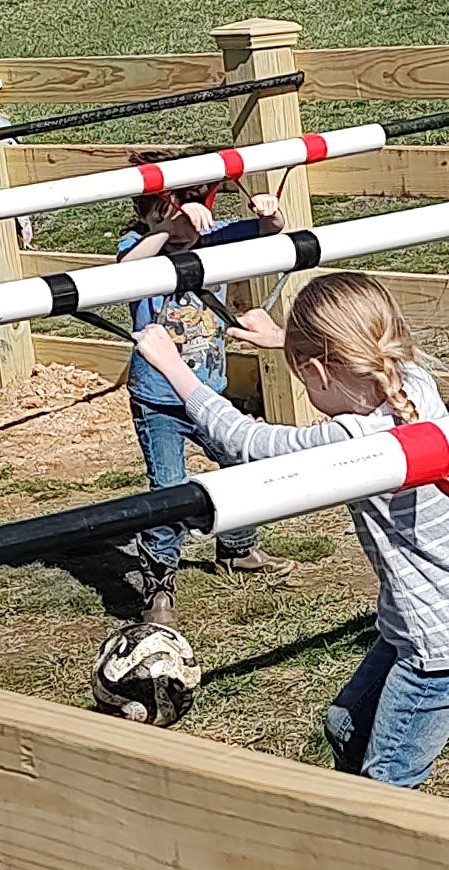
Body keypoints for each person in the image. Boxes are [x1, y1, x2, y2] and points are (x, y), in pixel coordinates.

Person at [130, 271, 449, 786]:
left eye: (304, 374)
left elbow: (246, 442)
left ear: (318, 369)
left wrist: (175, 368)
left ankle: (376, 830)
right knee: (346, 728)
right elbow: (349, 355)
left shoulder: (356, 440)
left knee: (388, 783)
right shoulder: (410, 380)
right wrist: (285, 339)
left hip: (446, 643)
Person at [117, 150, 291, 601]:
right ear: (148, 216)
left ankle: (237, 548)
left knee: (240, 464)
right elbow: (126, 271)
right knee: (168, 490)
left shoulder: (215, 238)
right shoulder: (137, 245)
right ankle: (160, 580)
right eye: (166, 219)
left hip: (209, 392)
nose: (182, 232)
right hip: (158, 400)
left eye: (189, 220)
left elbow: (271, 231)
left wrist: (268, 211)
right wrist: (165, 229)